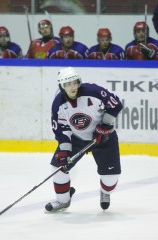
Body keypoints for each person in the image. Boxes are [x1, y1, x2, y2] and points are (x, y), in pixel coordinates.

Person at [45, 67, 123, 212]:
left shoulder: (93, 92)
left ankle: (105, 192)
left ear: (78, 81)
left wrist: (105, 125)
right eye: (67, 84)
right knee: (58, 168)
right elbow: (61, 129)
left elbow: (116, 105)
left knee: (110, 180)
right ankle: (63, 201)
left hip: (104, 138)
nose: (72, 87)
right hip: (77, 139)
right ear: (62, 86)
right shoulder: (58, 103)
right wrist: (64, 151)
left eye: (74, 83)